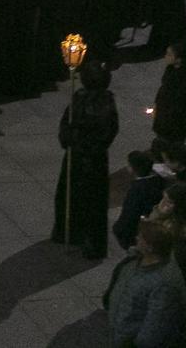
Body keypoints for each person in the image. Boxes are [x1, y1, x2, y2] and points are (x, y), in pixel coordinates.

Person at [53, 61, 119, 260]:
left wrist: (79, 140)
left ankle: (91, 242)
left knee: (92, 201)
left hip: (91, 158)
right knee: (69, 194)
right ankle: (68, 231)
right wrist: (68, 136)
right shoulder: (79, 97)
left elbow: (107, 132)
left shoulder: (105, 104)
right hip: (78, 155)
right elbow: (67, 121)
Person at [103, 220, 186, 348]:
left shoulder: (164, 284)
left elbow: (155, 325)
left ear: (150, 247)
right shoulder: (135, 261)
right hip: (120, 334)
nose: (136, 238)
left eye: (141, 237)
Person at [152, 38, 186, 145]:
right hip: (165, 112)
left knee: (173, 142)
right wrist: (157, 104)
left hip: (174, 118)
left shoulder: (184, 77)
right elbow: (164, 88)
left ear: (179, 59)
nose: (165, 56)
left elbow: (182, 102)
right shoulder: (170, 69)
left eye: (169, 54)